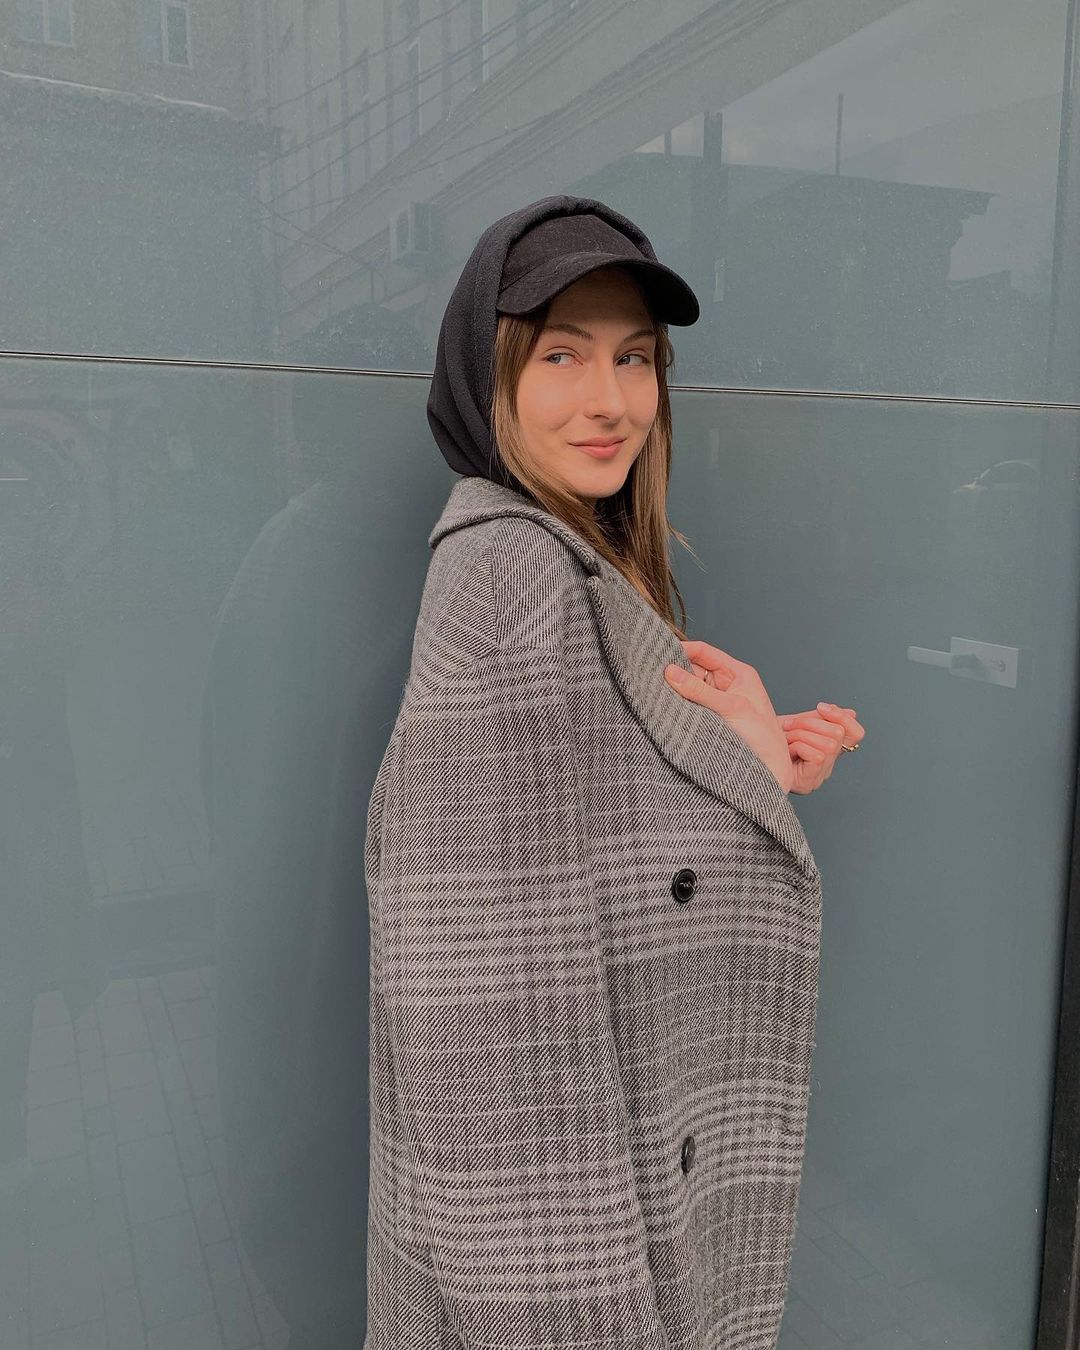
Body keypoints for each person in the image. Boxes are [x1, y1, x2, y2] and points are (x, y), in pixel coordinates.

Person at [363, 194, 863, 1349]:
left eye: (634, 358)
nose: (611, 400)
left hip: (631, 1186)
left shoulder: (575, 556)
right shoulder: (509, 581)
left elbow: (608, 854)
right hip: (571, 1270)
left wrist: (750, 766)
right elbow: (487, 1035)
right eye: (562, 355)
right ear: (486, 373)